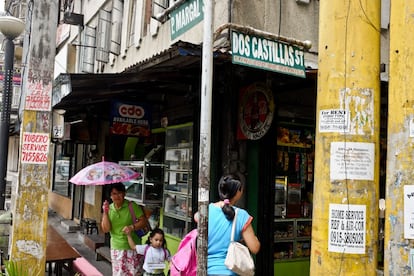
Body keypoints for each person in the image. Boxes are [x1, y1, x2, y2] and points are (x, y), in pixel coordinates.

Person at [207, 174, 260, 275]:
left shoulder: (207, 210)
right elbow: (254, 248)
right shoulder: (241, 216)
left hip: (207, 270)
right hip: (229, 272)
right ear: (238, 192)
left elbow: (196, 217)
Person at [101, 182, 149, 276]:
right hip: (117, 248)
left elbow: (143, 222)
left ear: (124, 193)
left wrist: (132, 227)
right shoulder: (109, 209)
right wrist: (105, 212)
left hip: (133, 247)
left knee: (134, 273)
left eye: (119, 193)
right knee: (119, 274)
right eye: (114, 194)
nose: (117, 196)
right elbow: (106, 229)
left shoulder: (132, 206)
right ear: (110, 196)